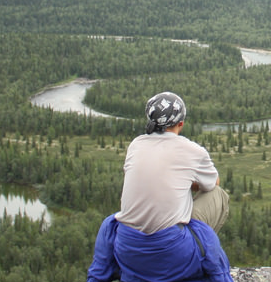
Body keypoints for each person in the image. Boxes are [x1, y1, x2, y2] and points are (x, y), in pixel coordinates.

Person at [87, 92, 231, 282]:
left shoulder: (136, 145)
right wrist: (188, 184)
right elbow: (213, 183)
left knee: (110, 223)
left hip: (129, 250)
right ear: (181, 123)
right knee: (218, 196)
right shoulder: (193, 150)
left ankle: (103, 273)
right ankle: (205, 270)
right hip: (174, 252)